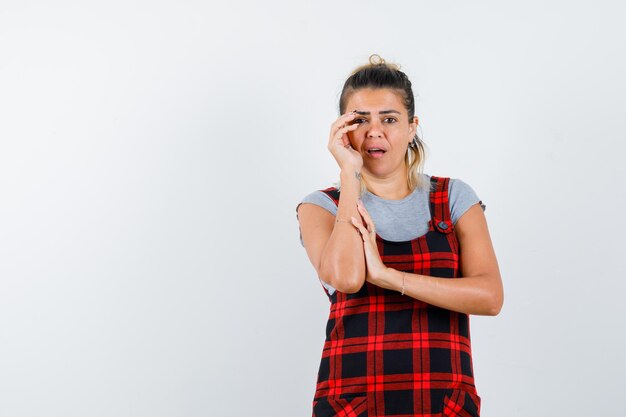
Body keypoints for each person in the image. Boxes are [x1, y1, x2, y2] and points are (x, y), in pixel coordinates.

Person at [296, 54, 503, 417]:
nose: (374, 131)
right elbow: (345, 278)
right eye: (360, 120)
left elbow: (490, 297)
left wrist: (389, 277)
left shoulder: (453, 198)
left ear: (411, 127)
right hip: (353, 406)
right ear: (342, 132)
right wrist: (350, 178)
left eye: (389, 119)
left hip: (443, 406)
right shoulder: (322, 206)